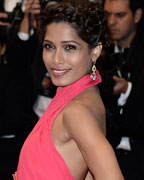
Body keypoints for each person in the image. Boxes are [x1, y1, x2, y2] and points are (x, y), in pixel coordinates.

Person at [13, 1, 124, 180]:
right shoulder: (80, 95)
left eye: (69, 47)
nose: (56, 59)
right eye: (49, 46)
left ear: (95, 52)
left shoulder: (77, 112)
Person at [98, 0, 144, 179]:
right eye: (107, 14)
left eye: (120, 15)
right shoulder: (97, 51)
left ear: (137, 16)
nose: (111, 22)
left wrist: (128, 90)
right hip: (106, 154)